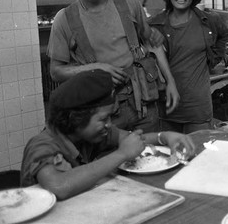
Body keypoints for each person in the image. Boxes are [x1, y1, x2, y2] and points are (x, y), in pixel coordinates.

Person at [47, 0, 177, 133]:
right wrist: (96, 68)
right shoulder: (64, 19)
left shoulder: (129, 2)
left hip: (144, 105)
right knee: (111, 161)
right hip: (101, 113)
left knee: (151, 159)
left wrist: (170, 82)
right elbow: (56, 72)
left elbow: (153, 41)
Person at [20, 69, 195, 200]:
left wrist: (164, 137)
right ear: (76, 119)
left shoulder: (87, 134)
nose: (109, 125)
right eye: (104, 119)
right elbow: (58, 186)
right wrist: (122, 154)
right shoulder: (42, 146)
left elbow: (130, 140)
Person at [149, 0, 228, 133]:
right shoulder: (155, 25)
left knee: (199, 154)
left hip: (198, 106)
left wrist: (214, 58)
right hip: (168, 105)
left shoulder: (208, 21)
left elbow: (223, 34)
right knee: (171, 155)